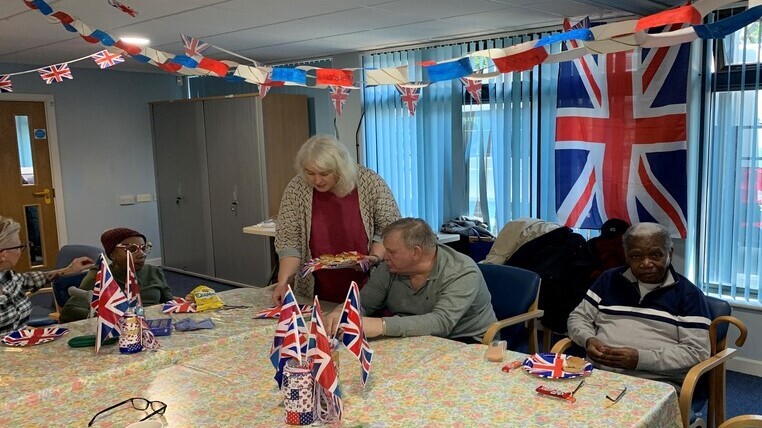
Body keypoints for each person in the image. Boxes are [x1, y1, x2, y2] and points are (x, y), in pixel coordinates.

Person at [567, 222, 711, 390]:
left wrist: (640, 359)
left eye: (656, 255)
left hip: (655, 382)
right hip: (598, 374)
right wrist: (588, 339)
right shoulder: (608, 280)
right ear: (626, 256)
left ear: (669, 254)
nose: (646, 263)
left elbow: (697, 352)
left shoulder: (689, 295)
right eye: (636, 256)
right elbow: (578, 317)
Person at [273, 135, 400, 304]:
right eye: (310, 173)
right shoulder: (298, 187)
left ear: (340, 168)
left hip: (367, 285)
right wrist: (283, 283)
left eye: (324, 173)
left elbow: (390, 228)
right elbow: (289, 240)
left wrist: (375, 256)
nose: (317, 180)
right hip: (316, 288)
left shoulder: (369, 182)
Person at [326, 218, 497, 343]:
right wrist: (342, 313)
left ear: (416, 252)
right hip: (412, 338)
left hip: (465, 342)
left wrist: (381, 325)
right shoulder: (390, 267)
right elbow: (363, 304)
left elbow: (441, 322)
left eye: (392, 252)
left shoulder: (461, 271)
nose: (384, 257)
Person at [0, 216, 94, 335]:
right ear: (3, 255)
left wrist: (69, 270)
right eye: (19, 247)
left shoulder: (6, 276)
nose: (21, 251)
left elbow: (30, 280)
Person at [59, 227, 174, 323]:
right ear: (113, 254)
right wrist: (107, 317)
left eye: (143, 248)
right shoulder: (100, 276)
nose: (141, 254)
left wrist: (186, 303)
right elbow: (69, 311)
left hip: (154, 329)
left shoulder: (154, 272)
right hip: (119, 333)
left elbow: (169, 303)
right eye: (132, 249)